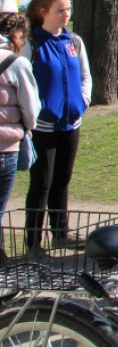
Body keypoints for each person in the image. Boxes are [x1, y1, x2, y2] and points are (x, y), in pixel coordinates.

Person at [23, 0, 92, 256]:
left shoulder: (74, 41)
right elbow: (23, 82)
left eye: (68, 9)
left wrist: (83, 102)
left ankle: (60, 234)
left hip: (70, 123)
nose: (66, 14)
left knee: (62, 179)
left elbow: (85, 76)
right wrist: (33, 114)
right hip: (42, 127)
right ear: (43, 12)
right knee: (41, 183)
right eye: (60, 10)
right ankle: (33, 243)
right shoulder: (31, 44)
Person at [0, 14, 39, 246]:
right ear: (17, 36)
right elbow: (31, 107)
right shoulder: (16, 63)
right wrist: (28, 127)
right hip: (5, 147)